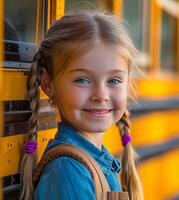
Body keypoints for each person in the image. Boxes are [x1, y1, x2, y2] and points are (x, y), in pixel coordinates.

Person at [19, 11, 143, 200]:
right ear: (48, 84)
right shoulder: (69, 172)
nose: (101, 95)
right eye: (82, 80)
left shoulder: (95, 161)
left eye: (114, 80)